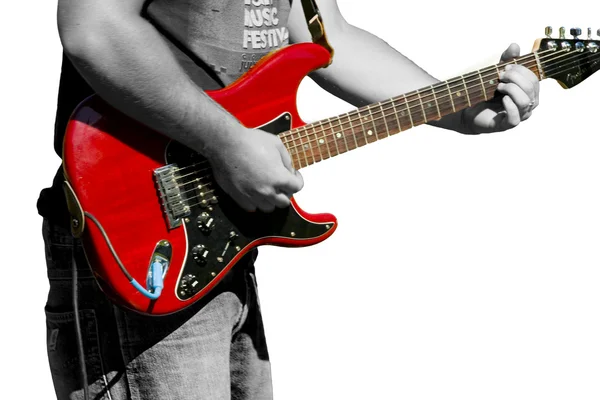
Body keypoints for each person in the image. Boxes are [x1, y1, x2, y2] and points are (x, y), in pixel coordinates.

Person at [38, 0, 540, 399]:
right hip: (133, 238)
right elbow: (92, 24)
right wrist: (226, 142)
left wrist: (457, 106)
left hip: (219, 242)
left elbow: (329, 38)